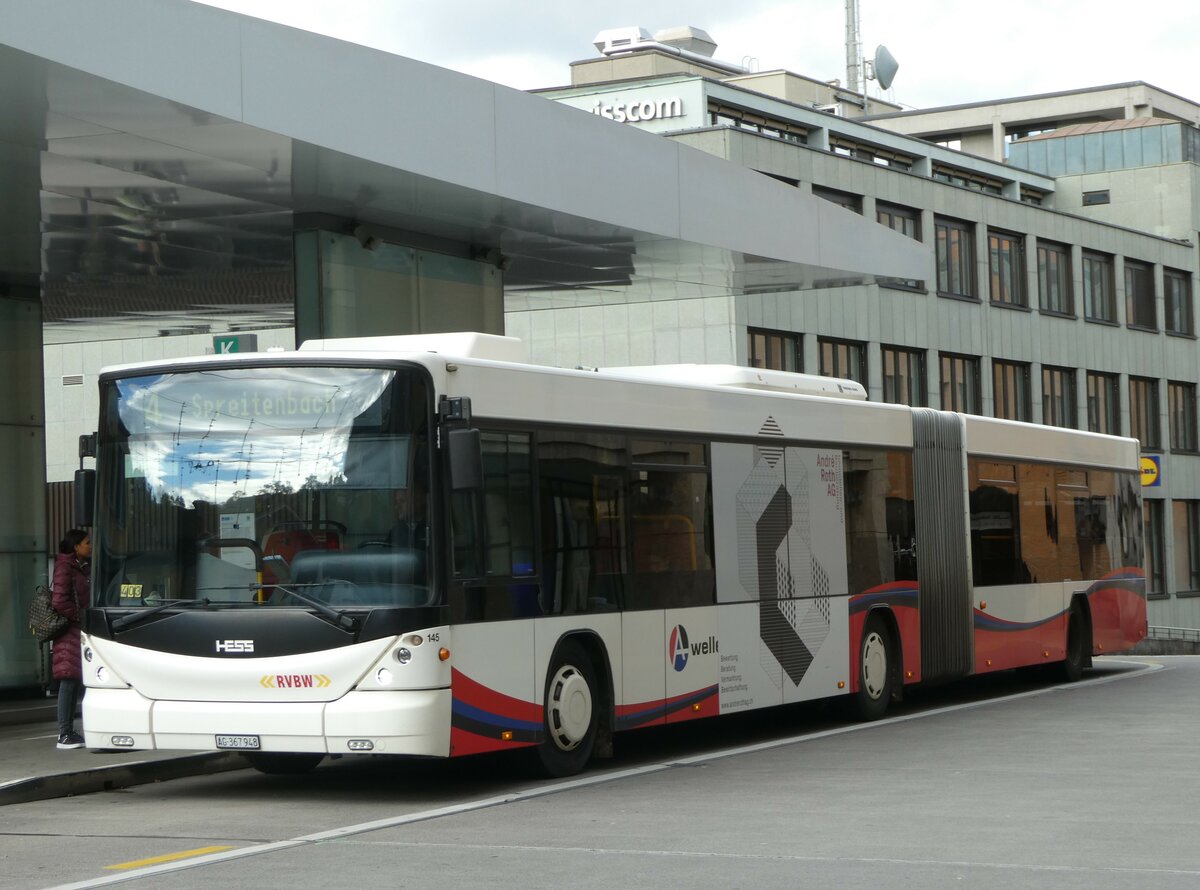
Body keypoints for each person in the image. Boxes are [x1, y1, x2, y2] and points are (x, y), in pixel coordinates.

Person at [51, 529, 91, 750]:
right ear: (76, 546)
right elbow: (59, 601)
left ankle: (69, 732)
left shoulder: (80, 567)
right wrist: (79, 617)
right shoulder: (65, 567)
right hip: (69, 632)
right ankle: (64, 734)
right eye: (87, 542)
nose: (90, 546)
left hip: (79, 630)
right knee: (68, 681)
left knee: (74, 681)